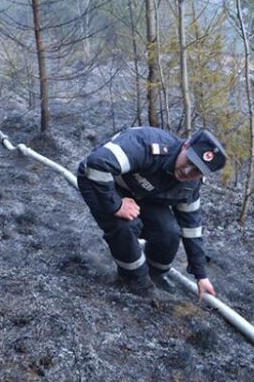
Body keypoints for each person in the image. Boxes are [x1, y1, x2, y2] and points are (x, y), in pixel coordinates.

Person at [76, 126, 227, 300]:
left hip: (142, 194)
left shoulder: (189, 186)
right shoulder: (146, 144)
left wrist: (201, 275)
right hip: (100, 181)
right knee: (125, 226)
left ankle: (155, 275)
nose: (187, 171)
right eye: (189, 161)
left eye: (196, 170)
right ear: (186, 146)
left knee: (169, 231)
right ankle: (134, 280)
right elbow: (97, 164)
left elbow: (191, 227)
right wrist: (116, 205)